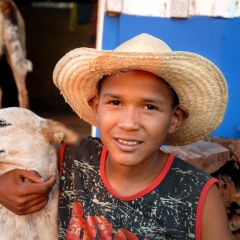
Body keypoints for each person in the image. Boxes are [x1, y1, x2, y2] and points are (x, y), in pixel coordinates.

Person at [0, 33, 233, 240]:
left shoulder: (198, 195)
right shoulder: (71, 157)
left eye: (150, 107)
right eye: (115, 102)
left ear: (175, 118)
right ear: (95, 106)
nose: (129, 124)